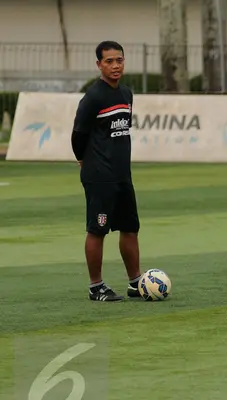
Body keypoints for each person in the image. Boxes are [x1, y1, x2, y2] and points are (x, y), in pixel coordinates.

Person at [70, 40, 142, 302]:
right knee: (97, 229)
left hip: (122, 175)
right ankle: (95, 286)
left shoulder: (126, 94)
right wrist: (83, 160)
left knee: (130, 227)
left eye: (119, 60)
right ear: (99, 64)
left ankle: (135, 282)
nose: (115, 65)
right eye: (109, 61)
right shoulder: (93, 97)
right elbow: (78, 135)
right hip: (99, 176)